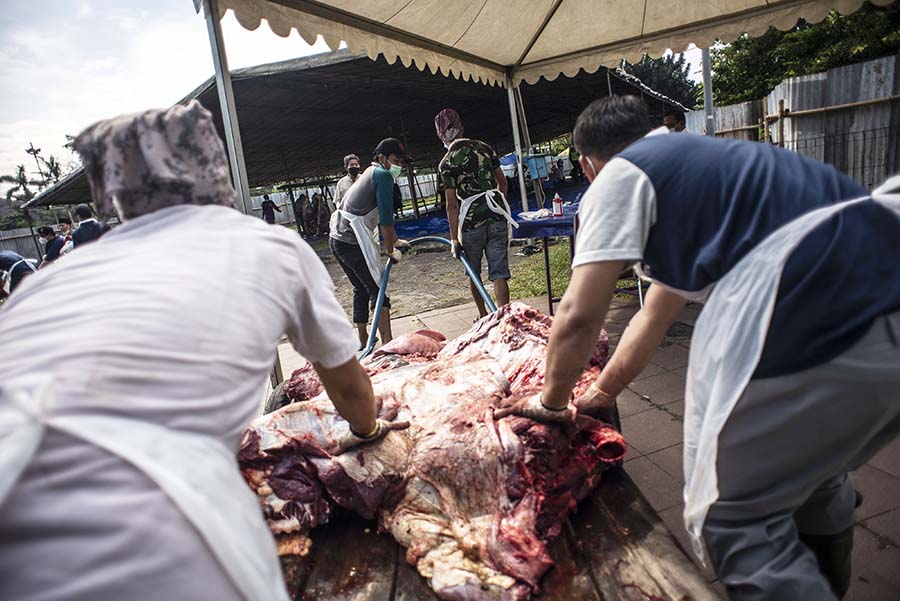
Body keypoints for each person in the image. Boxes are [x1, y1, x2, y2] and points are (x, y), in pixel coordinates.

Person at [496, 95, 900, 601]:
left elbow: (578, 314)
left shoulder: (621, 175)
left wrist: (551, 400)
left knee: (733, 518)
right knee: (811, 471)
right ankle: (830, 580)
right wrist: (601, 392)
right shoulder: (704, 167)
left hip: (808, 295)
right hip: (884, 289)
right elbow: (655, 312)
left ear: (586, 163)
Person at [0, 101, 408, 601]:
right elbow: (347, 386)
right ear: (215, 173)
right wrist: (368, 429)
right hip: (143, 537)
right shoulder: (267, 247)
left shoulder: (56, 276)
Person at [330, 138, 411, 348]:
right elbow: (386, 219)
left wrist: (395, 240)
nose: (399, 165)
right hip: (349, 241)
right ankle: (387, 345)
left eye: (402, 161)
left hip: (337, 239)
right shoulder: (382, 175)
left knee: (362, 288)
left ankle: (365, 338)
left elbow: (385, 221)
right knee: (379, 289)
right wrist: (392, 250)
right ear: (383, 158)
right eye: (396, 160)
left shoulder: (370, 172)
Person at [435, 108, 514, 318]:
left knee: (474, 273)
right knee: (499, 273)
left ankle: (483, 316)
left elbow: (452, 205)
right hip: (496, 215)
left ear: (441, 135)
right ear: (460, 127)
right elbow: (502, 182)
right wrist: (498, 204)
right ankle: (504, 317)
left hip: (471, 223)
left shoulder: (446, 163)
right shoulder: (484, 148)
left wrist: (453, 238)